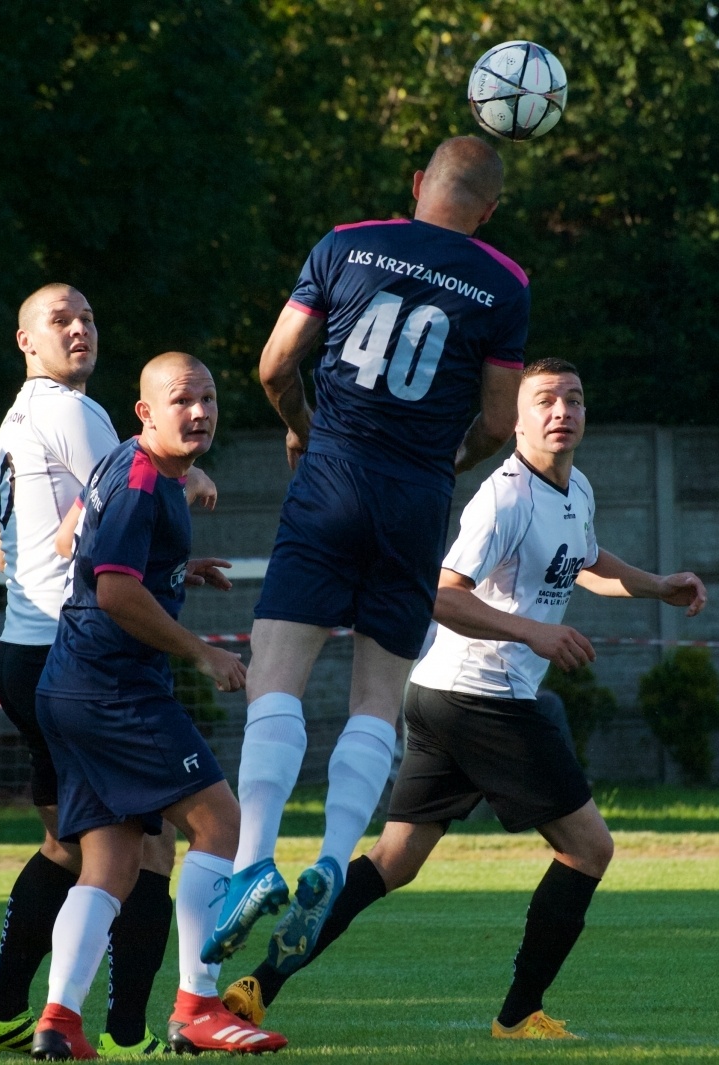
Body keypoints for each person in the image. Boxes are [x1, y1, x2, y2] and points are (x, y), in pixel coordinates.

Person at [220, 359, 707, 1038]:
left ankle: (257, 983)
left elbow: (588, 561)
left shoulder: (576, 490)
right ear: (516, 418)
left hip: (441, 694)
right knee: (589, 848)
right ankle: (519, 1012)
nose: (562, 410)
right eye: (545, 400)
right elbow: (443, 594)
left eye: (574, 398)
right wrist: (534, 632)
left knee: (393, 862)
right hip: (486, 700)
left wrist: (660, 585)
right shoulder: (503, 497)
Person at [206, 135, 531, 973]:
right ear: (489, 213)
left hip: (332, 478)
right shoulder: (504, 282)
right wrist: (441, 464)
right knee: (377, 696)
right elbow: (499, 422)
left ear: (418, 184)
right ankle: (331, 856)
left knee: (277, 672)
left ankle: (253, 865)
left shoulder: (346, 243)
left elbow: (276, 364)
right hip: (416, 500)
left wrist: (303, 431)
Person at [0, 284, 216, 1057]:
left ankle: (13, 1007)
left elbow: (19, 547)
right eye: (60, 320)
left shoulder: (13, 423)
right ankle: (128, 1030)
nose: (78, 330)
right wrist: (188, 483)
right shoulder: (76, 413)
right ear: (24, 339)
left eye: (88, 317)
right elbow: (110, 515)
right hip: (77, 650)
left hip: (28, 647)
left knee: (77, 848)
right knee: (151, 846)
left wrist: (169, 562)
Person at [29, 353, 285, 1060]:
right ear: (145, 411)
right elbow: (111, 590)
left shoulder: (126, 465)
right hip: (115, 689)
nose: (198, 412)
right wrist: (202, 651)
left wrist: (175, 571)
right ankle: (198, 1005)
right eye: (181, 400)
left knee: (107, 864)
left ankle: (59, 1021)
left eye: (207, 399)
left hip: (70, 687)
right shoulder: (143, 478)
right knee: (222, 823)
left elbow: (71, 543)